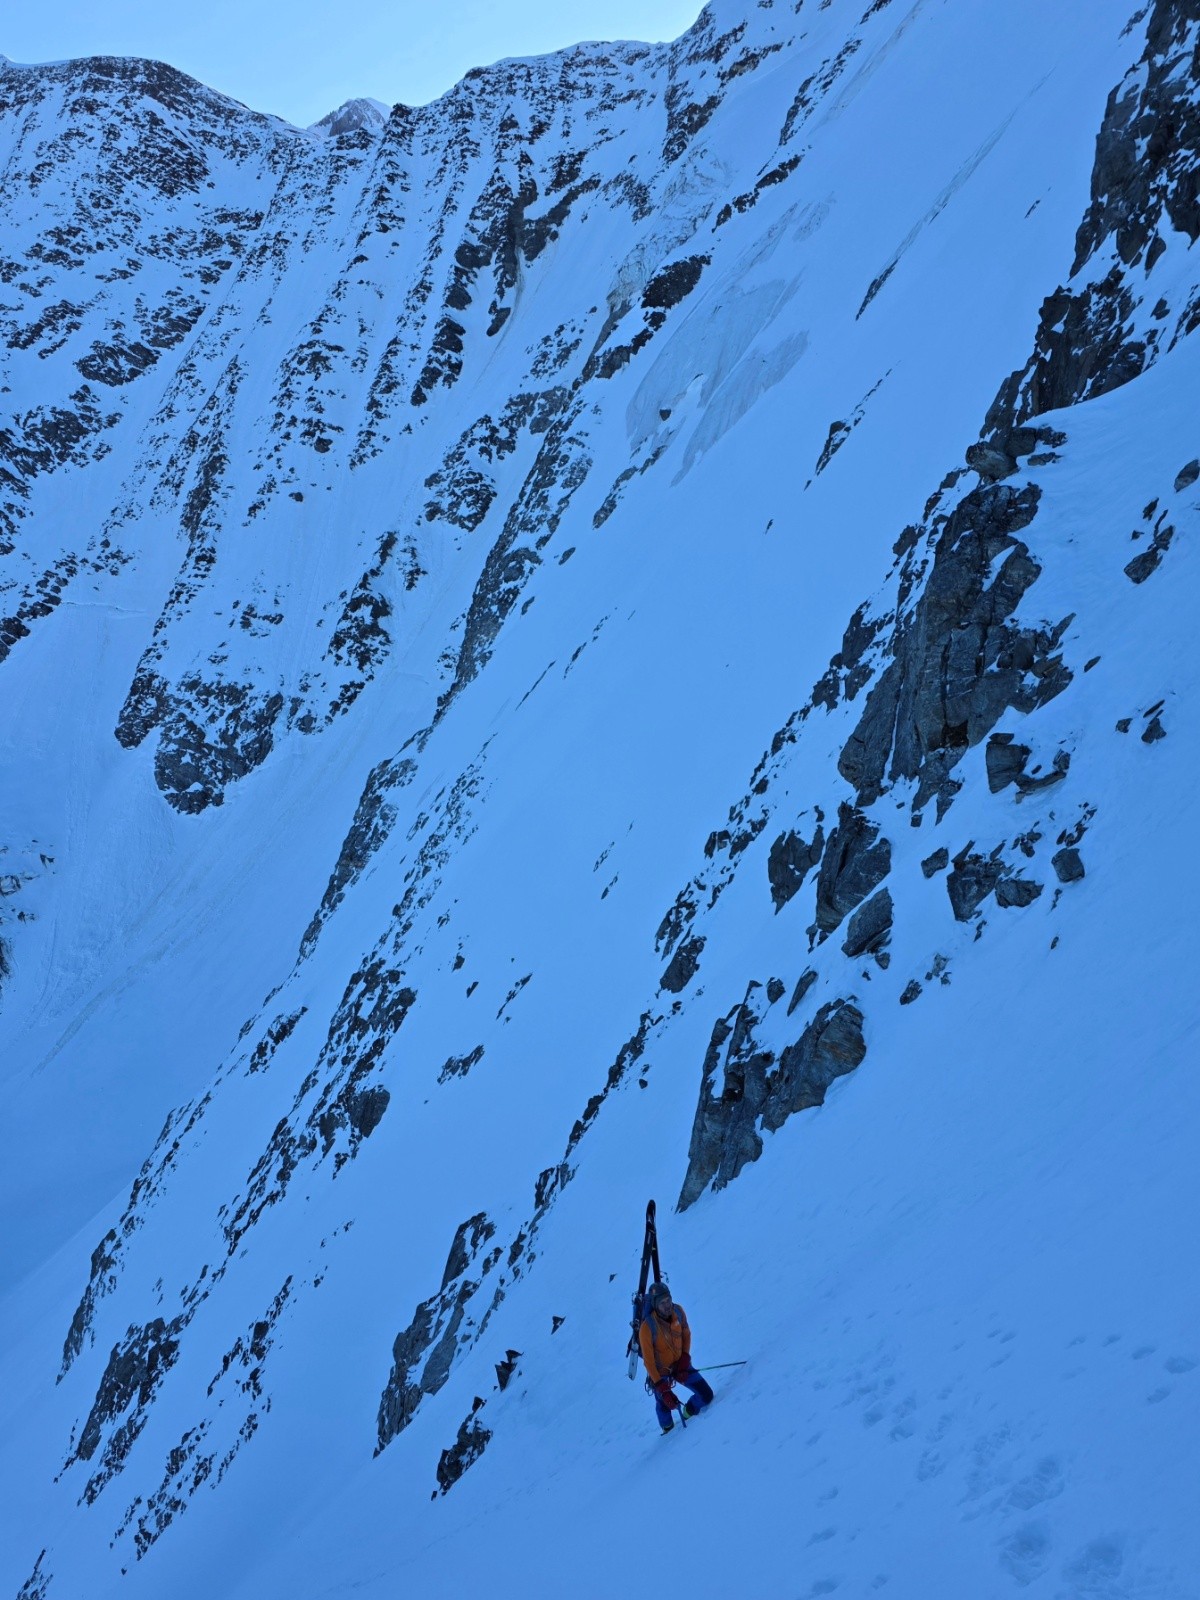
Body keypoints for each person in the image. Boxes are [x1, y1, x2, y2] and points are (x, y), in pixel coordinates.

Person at [638, 1282, 714, 1433]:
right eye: (662, 1303)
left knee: (706, 1394)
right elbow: (649, 1362)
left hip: (681, 1364)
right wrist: (662, 1387)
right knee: (664, 1403)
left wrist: (685, 1358)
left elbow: (686, 1334)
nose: (667, 1305)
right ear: (655, 1305)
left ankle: (689, 1411)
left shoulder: (678, 1311)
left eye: (668, 1300)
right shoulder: (647, 1328)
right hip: (660, 1373)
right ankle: (668, 1430)